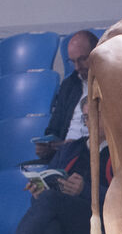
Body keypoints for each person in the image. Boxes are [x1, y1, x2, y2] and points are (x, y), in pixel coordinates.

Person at [0, 98, 112, 234]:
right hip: (65, 218)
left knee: (50, 201)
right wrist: (38, 192)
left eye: (95, 116)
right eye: (86, 117)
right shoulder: (70, 150)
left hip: (101, 221)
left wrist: (84, 190)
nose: (90, 122)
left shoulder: (119, 152)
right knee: (46, 231)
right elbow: (49, 181)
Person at [35, 30, 98, 162]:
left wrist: (74, 145)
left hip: (92, 155)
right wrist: (47, 146)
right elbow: (54, 129)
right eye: (73, 61)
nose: (77, 67)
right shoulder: (69, 85)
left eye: (82, 59)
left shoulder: (112, 84)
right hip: (64, 154)